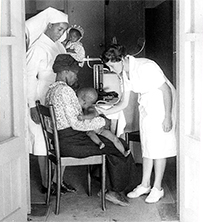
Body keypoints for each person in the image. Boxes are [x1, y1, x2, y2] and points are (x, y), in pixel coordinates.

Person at [45, 53, 138, 207]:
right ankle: (113, 191)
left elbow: (74, 120)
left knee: (110, 143)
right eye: (74, 74)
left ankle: (105, 183)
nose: (75, 78)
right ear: (65, 72)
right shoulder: (65, 91)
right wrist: (102, 121)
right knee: (119, 145)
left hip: (63, 141)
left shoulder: (51, 90)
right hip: (72, 143)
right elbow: (77, 124)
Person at [100, 44, 177, 203]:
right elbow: (123, 103)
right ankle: (145, 184)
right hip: (147, 106)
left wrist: (168, 116)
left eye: (112, 65)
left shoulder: (145, 66)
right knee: (148, 146)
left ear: (121, 59)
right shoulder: (124, 73)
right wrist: (101, 111)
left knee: (159, 148)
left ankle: (157, 188)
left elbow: (166, 91)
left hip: (161, 106)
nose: (111, 69)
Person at [26, 7, 76, 194]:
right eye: (59, 29)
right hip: (40, 99)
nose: (61, 34)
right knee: (42, 141)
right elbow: (29, 78)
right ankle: (48, 184)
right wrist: (32, 106)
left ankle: (58, 181)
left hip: (58, 98)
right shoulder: (37, 48)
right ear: (48, 26)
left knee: (59, 140)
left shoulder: (59, 46)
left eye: (64, 30)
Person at [77, 87, 131, 157]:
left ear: (84, 101)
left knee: (91, 133)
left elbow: (92, 115)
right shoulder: (87, 108)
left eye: (77, 98)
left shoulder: (91, 108)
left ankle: (122, 151)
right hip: (100, 129)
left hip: (99, 129)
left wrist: (84, 117)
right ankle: (121, 151)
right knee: (114, 139)